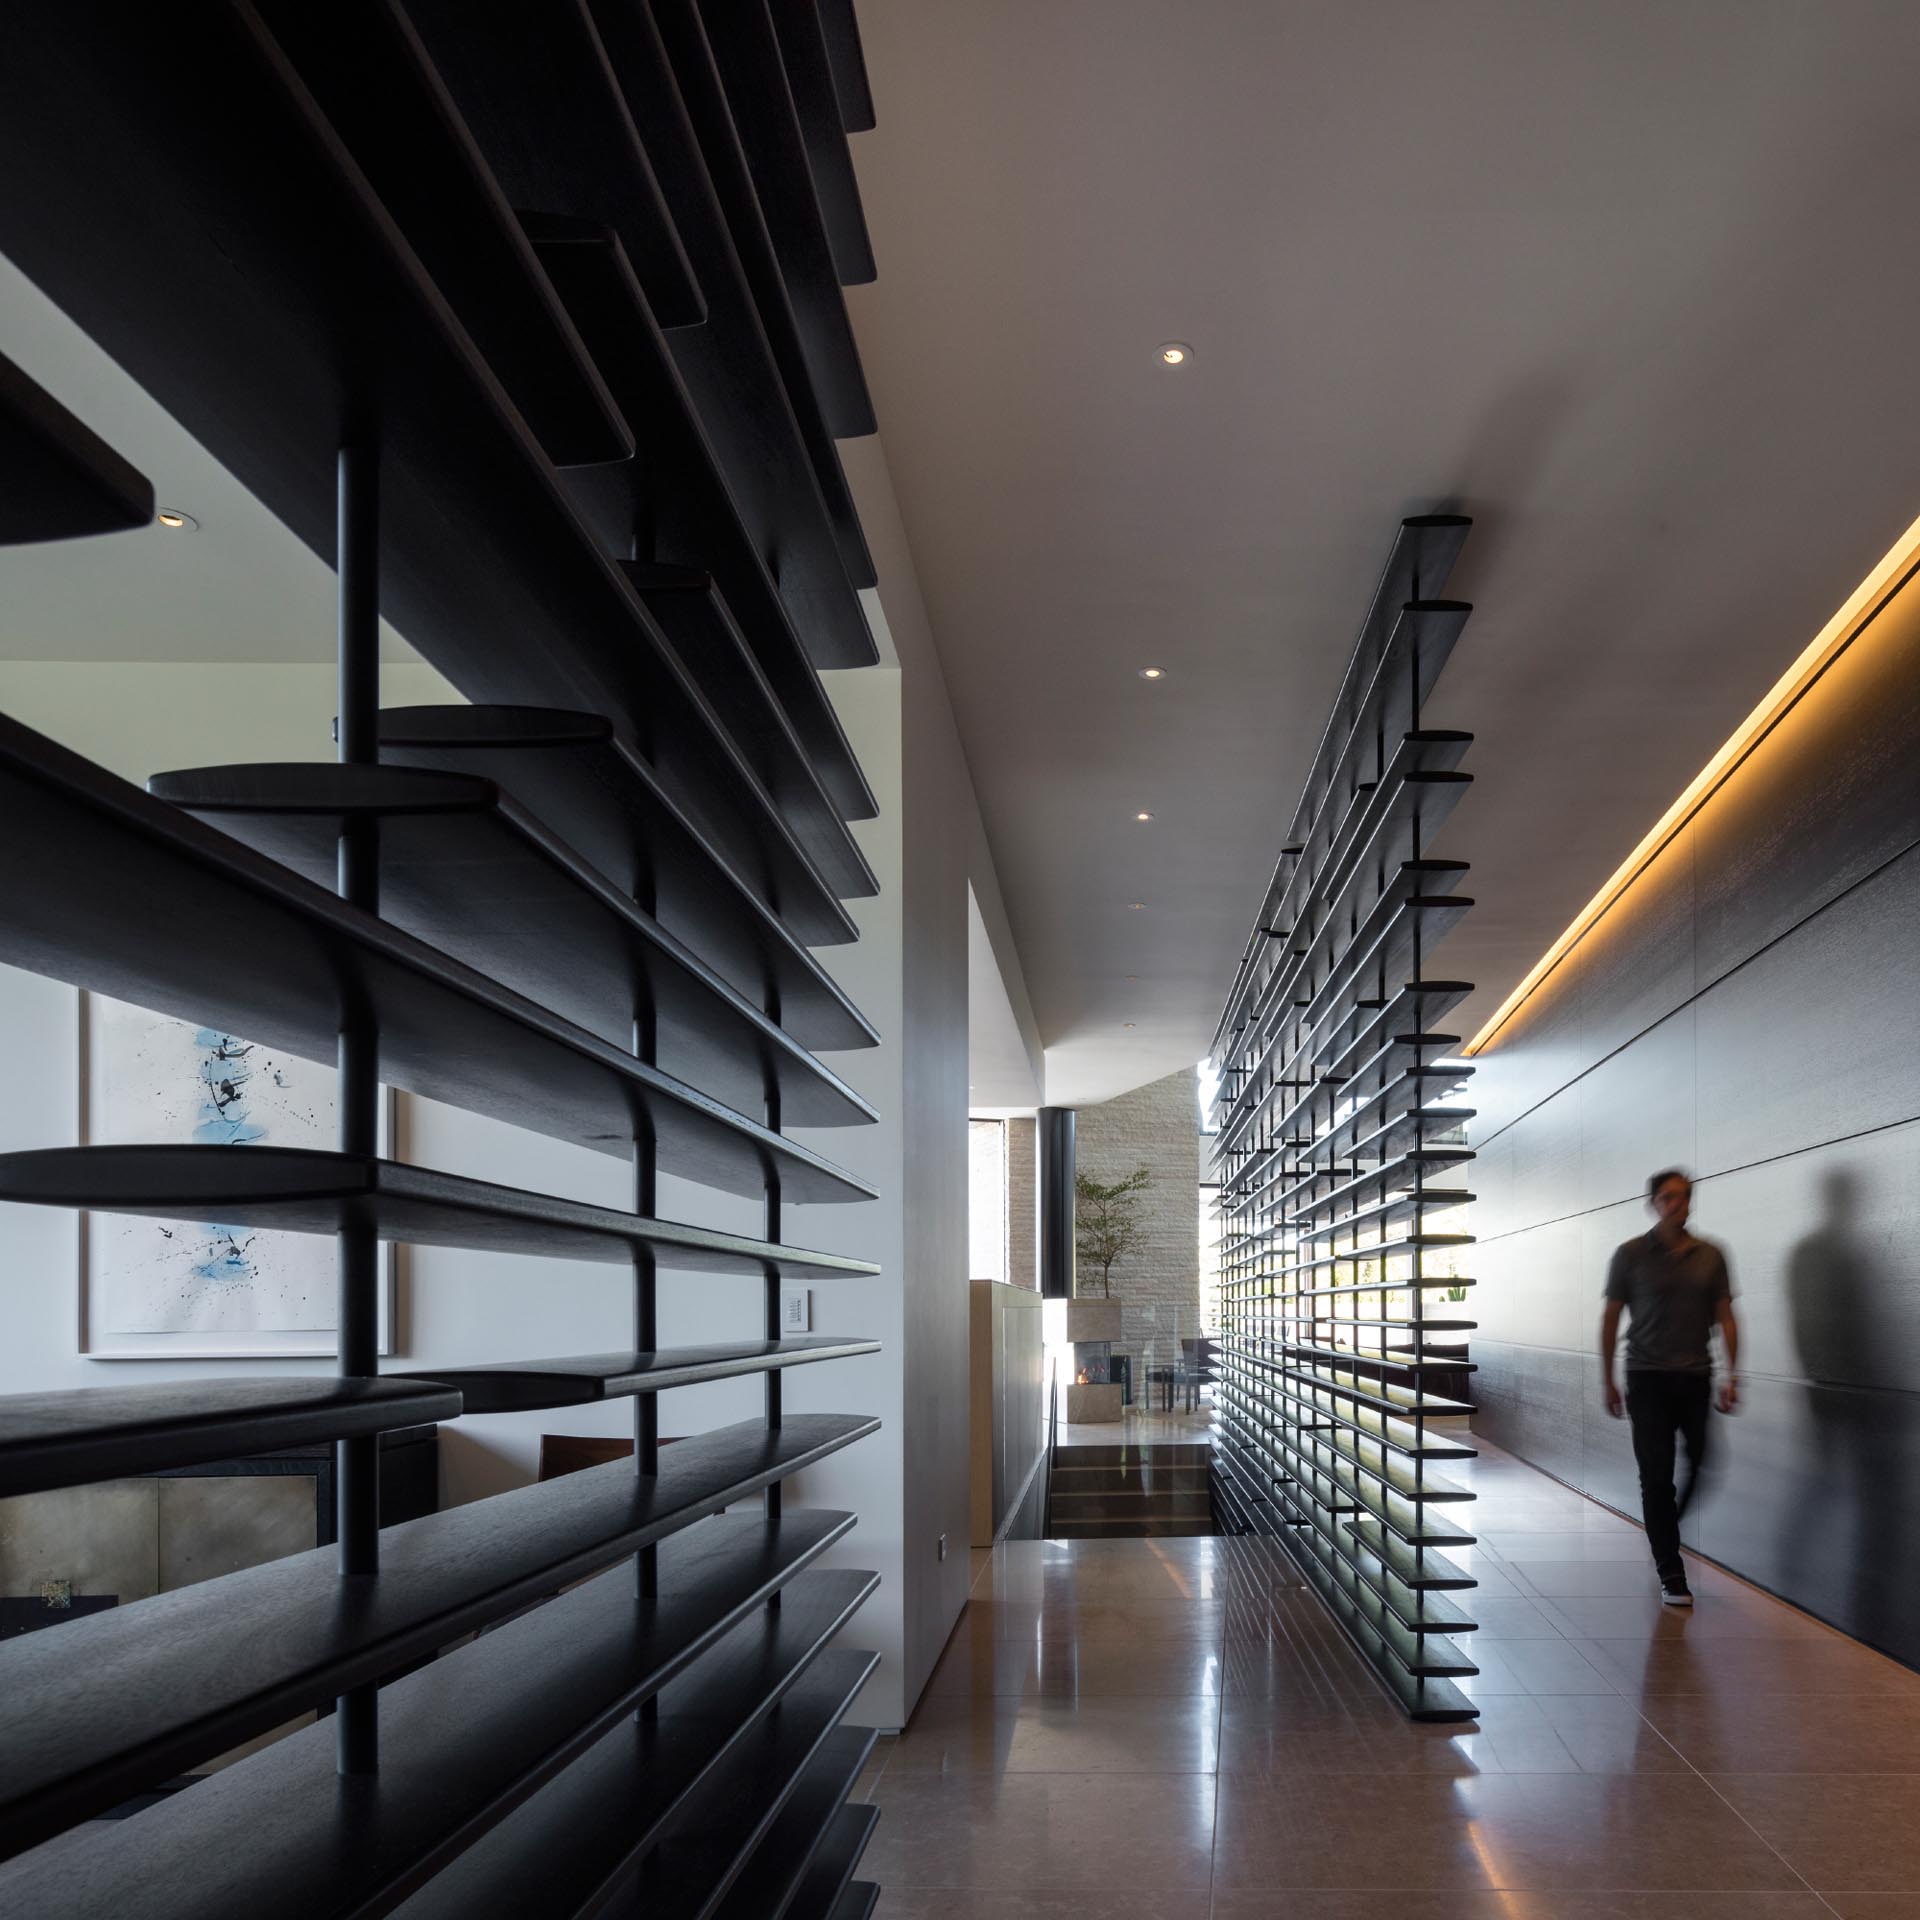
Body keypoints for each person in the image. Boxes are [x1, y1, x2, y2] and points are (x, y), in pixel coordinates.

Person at [1599, 1168, 1739, 1605]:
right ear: (1654, 1203)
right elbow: (1611, 1317)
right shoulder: (1630, 1254)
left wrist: (1733, 1373)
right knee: (1656, 1477)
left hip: (1696, 1377)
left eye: (1682, 1197)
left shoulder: (1712, 1255)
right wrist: (1608, 1378)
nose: (1676, 1204)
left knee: (1702, 1462)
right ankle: (1671, 1572)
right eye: (1667, 1197)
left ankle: (1664, 1527)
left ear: (1690, 1202)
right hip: (1646, 1379)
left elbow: (1726, 1316)